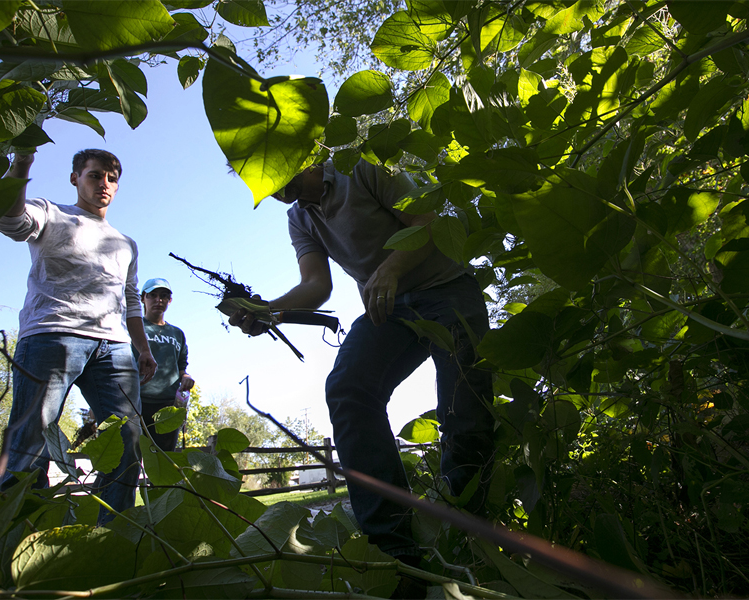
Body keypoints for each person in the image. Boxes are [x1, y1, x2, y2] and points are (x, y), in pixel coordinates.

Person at [230, 159, 495, 564]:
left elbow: (427, 220)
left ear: (297, 155)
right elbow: (316, 286)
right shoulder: (299, 218)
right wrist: (269, 311)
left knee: (465, 406)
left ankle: (470, 538)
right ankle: (396, 549)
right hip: (388, 309)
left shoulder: (364, 167)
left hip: (447, 288)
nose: (266, 189)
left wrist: (390, 268)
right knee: (348, 389)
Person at [0, 149, 156, 520]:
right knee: (31, 439)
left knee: (127, 439)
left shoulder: (125, 242)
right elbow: (11, 222)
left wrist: (142, 349)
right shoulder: (50, 212)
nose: (104, 184)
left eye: (111, 178)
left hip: (113, 349)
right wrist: (21, 163)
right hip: (52, 335)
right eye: (95, 175)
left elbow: (131, 299)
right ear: (75, 178)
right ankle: (22, 540)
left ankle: (109, 537)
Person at [135, 277, 194, 451]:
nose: (158, 300)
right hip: (136, 401)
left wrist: (186, 377)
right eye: (152, 295)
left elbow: (181, 365)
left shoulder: (177, 333)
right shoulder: (134, 327)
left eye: (163, 296)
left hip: (167, 405)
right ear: (142, 298)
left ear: (170, 300)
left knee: (164, 459)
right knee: (130, 457)